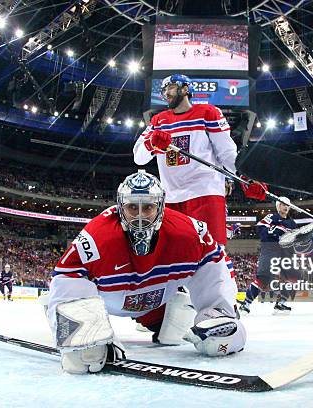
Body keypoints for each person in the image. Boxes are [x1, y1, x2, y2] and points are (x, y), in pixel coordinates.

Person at [45, 170, 246, 374]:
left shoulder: (189, 233)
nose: (140, 215)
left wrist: (220, 311)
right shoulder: (97, 238)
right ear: (120, 207)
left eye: (148, 206)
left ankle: (171, 312)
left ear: (160, 207)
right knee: (85, 353)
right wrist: (79, 325)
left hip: (154, 304)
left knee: (187, 336)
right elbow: (66, 275)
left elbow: (214, 262)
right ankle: (67, 315)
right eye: (132, 207)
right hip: (105, 302)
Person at [133, 74, 266, 246]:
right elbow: (139, 158)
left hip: (205, 193)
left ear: (186, 89)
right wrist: (151, 144)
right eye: (164, 90)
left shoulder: (208, 113)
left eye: (170, 88)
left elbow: (226, 153)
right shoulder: (158, 121)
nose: (166, 93)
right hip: (171, 198)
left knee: (211, 257)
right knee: (177, 260)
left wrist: (246, 178)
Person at [238, 197, 298, 315]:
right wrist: (274, 232)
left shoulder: (292, 223)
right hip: (270, 249)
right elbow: (261, 229)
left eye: (287, 205)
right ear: (278, 206)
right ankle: (246, 303)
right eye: (283, 204)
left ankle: (281, 303)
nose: (286, 207)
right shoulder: (272, 217)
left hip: (285, 252)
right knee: (263, 278)